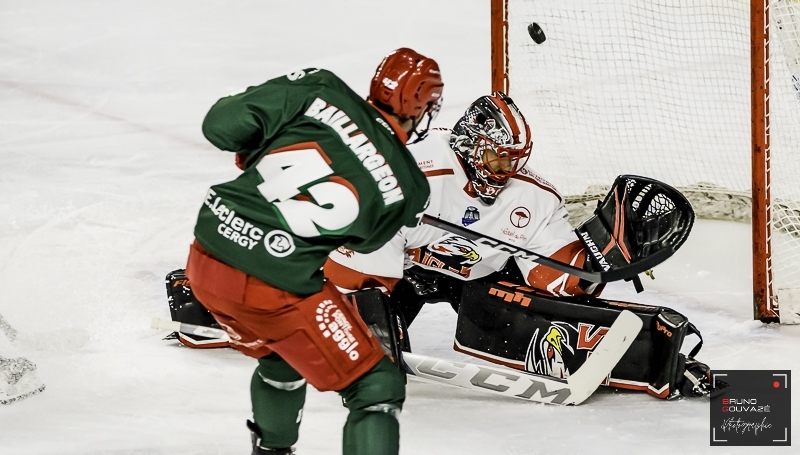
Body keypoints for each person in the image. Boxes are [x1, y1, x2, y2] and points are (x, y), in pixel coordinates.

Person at [184, 48, 443, 455]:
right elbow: (364, 242)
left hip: (206, 252)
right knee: (377, 386)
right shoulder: (410, 187)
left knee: (280, 356)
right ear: (419, 107)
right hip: (273, 284)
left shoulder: (320, 86)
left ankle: (271, 450)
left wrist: (260, 145)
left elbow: (220, 125)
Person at [324, 91, 602, 327]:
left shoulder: (534, 196)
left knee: (514, 331)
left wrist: (596, 262)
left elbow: (555, 270)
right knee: (362, 337)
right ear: (470, 145)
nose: (507, 172)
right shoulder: (412, 165)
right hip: (404, 275)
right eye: (499, 159)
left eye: (515, 161)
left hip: (476, 279)